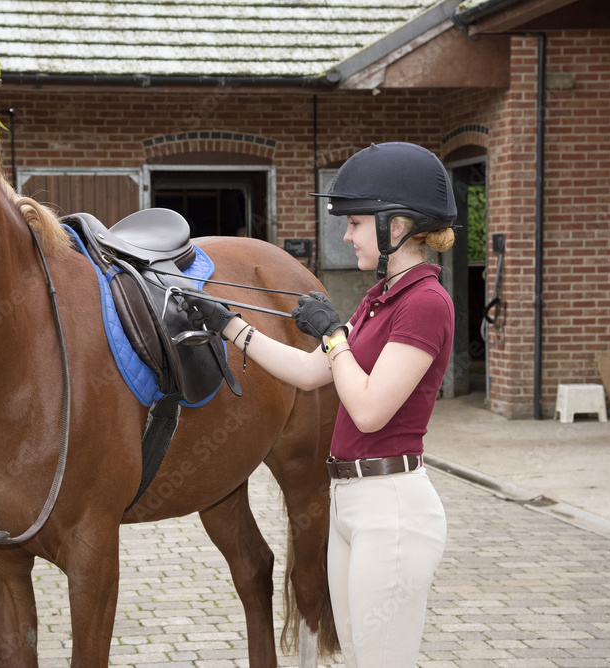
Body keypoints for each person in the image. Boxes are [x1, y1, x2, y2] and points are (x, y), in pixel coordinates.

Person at [185, 142, 457, 667]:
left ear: (395, 225)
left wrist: (333, 336)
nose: (346, 234)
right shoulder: (381, 298)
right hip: (351, 500)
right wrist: (229, 326)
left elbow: (370, 409)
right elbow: (311, 374)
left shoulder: (426, 304)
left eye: (355, 222)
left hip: (391, 507)